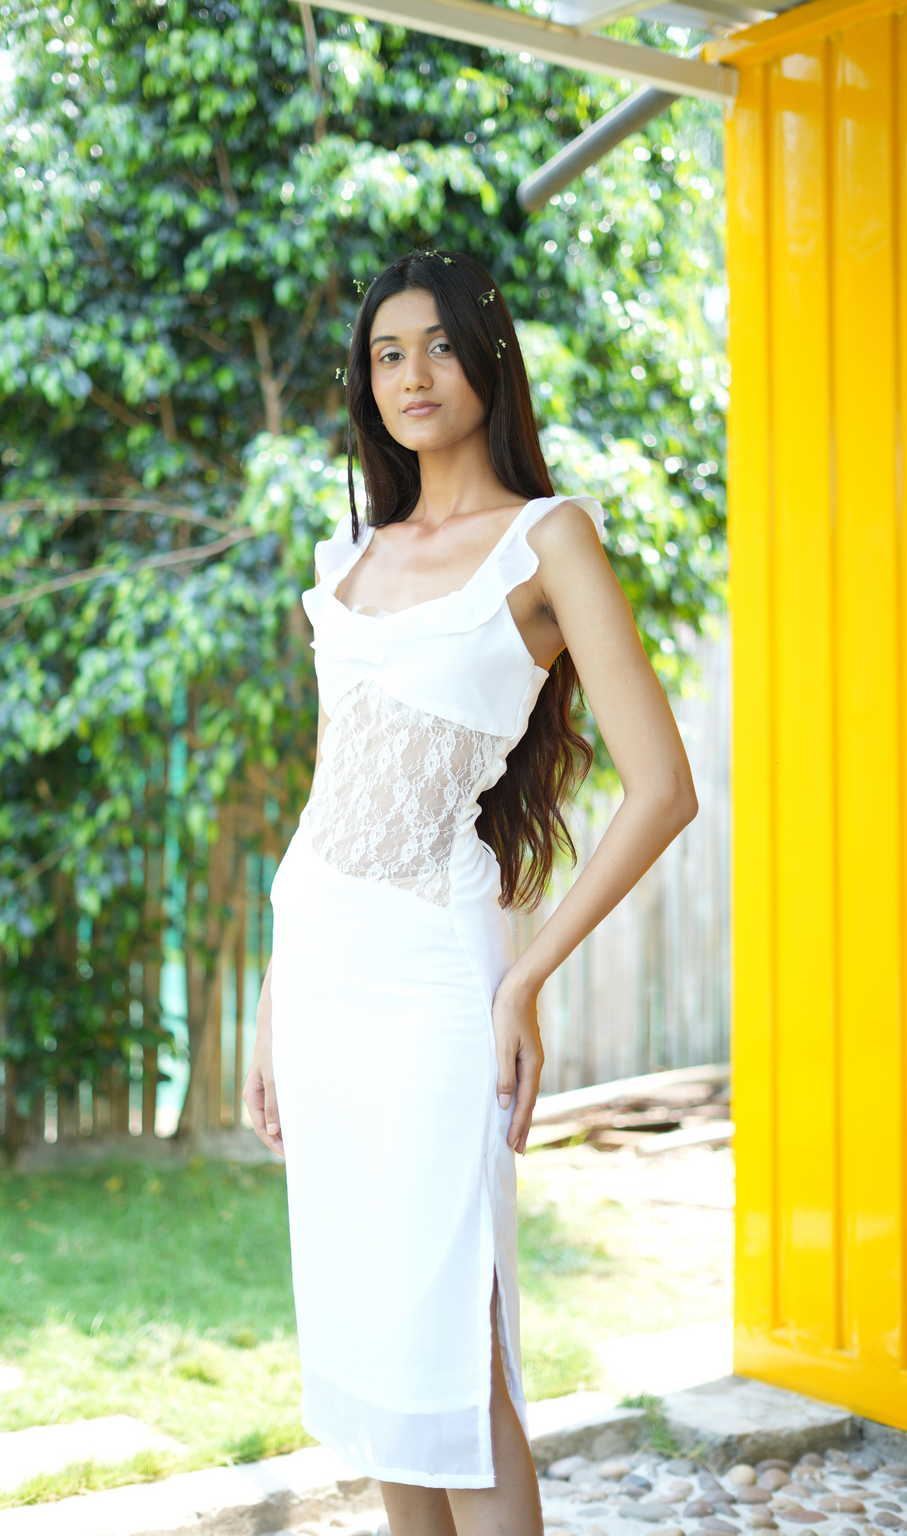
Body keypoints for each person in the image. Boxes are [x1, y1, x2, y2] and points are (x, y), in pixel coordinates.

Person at [244, 249, 697, 1536]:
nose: (413, 375)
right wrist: (274, 1003)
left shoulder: (547, 540)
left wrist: (524, 974)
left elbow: (662, 787)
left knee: (459, 1334)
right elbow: (331, 799)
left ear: (487, 360)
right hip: (325, 963)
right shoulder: (348, 561)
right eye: (389, 354)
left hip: (440, 975)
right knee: (382, 1346)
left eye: (439, 346)